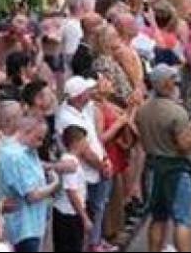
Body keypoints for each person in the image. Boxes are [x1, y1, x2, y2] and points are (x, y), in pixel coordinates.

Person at [135, 64, 191, 253]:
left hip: (153, 167)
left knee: (158, 217)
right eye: (173, 79)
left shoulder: (142, 110)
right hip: (175, 168)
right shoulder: (176, 113)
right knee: (182, 218)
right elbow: (185, 146)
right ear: (167, 84)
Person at [55, 76, 112, 253]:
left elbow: (94, 136)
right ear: (79, 96)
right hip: (88, 172)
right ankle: (93, 244)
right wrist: (102, 166)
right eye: (87, 91)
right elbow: (85, 150)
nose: (90, 93)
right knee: (92, 208)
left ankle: (96, 240)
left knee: (99, 206)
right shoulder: (67, 118)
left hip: (97, 166)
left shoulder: (83, 108)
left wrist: (105, 158)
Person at [0, 116, 60, 252]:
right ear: (25, 131)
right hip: (23, 227)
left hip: (33, 223)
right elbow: (32, 196)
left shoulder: (27, 150)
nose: (40, 144)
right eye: (38, 138)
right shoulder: (15, 156)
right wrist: (55, 184)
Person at [52, 125, 91, 253]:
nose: (86, 144)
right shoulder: (70, 162)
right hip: (68, 214)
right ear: (76, 143)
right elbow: (71, 192)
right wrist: (84, 217)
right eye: (84, 141)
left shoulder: (71, 160)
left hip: (69, 212)